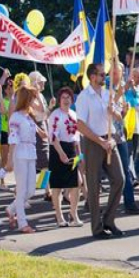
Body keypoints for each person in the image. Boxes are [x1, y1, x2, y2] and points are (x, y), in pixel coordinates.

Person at [76, 63, 127, 239]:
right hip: (93, 142)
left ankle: (109, 220)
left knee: (120, 179)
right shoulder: (84, 97)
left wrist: (114, 112)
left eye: (104, 74)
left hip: (109, 139)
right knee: (94, 185)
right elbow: (80, 125)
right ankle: (97, 227)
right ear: (92, 77)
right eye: (101, 74)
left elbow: (119, 116)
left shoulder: (107, 94)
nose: (104, 77)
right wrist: (100, 141)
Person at [5, 85, 42, 234]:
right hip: (20, 153)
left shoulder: (28, 116)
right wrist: (9, 160)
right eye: (32, 98)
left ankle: (11, 208)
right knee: (21, 191)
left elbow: (41, 117)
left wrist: (42, 133)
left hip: (31, 152)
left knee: (31, 190)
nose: (34, 101)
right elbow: (13, 138)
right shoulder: (15, 117)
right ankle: (22, 223)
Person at [48, 87, 83, 227]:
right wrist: (61, 153)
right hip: (58, 150)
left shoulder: (74, 114)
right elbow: (53, 137)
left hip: (71, 149)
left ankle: (73, 213)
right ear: (59, 100)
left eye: (68, 97)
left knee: (77, 182)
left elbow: (77, 137)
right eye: (63, 97)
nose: (66, 100)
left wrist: (80, 156)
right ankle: (59, 216)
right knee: (57, 186)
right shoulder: (55, 115)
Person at [110, 63, 139, 215]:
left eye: (118, 72)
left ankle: (130, 202)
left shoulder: (124, 86)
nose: (115, 75)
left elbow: (135, 101)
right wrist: (123, 90)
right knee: (108, 172)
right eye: (113, 72)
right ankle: (92, 201)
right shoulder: (105, 88)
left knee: (126, 170)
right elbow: (108, 105)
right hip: (107, 135)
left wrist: (131, 92)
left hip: (121, 135)